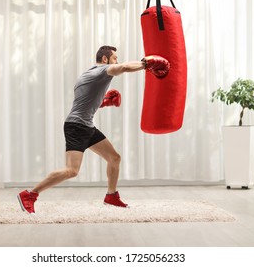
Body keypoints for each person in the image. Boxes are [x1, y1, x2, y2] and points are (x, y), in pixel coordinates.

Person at [17, 45, 169, 213]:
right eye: (114, 58)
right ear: (105, 59)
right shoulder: (101, 71)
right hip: (77, 127)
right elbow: (124, 67)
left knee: (114, 158)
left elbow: (83, 101)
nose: (116, 62)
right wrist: (147, 64)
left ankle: (111, 196)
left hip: (86, 126)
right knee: (72, 170)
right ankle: (30, 194)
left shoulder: (88, 75)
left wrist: (104, 102)